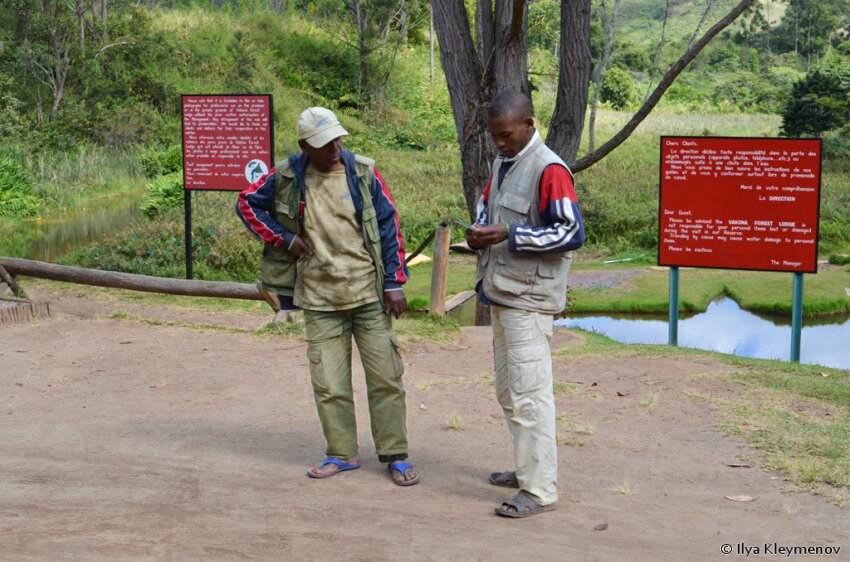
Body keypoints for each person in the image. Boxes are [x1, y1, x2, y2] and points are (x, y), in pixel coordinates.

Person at [236, 107, 419, 486]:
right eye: (323, 144)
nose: (334, 148)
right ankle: (341, 453)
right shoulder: (287, 175)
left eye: (337, 139)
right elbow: (246, 203)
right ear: (305, 146)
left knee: (386, 378)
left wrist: (393, 281)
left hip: (367, 294)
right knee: (329, 384)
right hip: (319, 299)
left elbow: (389, 226)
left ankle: (395, 455)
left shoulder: (363, 172)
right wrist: (285, 239)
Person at [465, 90, 585, 517]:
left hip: (529, 301)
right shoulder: (504, 163)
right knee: (510, 392)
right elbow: (487, 207)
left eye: (505, 134)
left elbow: (571, 233)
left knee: (530, 395)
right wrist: (479, 230)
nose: (499, 143)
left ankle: (539, 491)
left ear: (529, 124)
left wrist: (509, 235)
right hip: (503, 293)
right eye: (494, 136)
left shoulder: (549, 169)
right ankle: (526, 470)